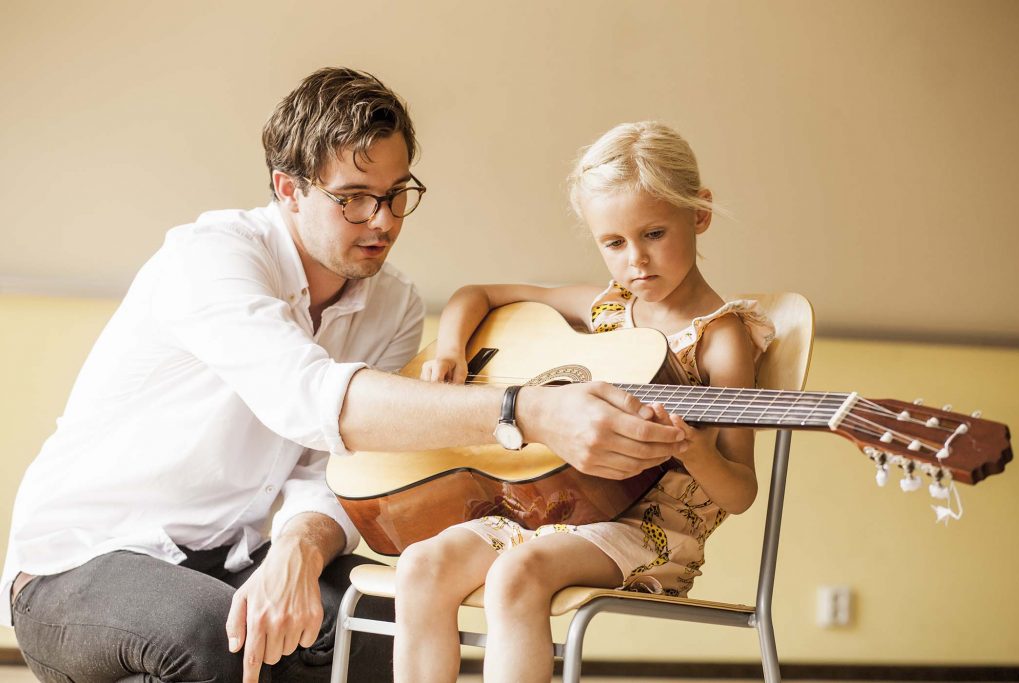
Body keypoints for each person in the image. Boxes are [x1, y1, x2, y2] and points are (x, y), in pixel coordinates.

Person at [2, 71, 689, 683]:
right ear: (289, 189)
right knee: (212, 638)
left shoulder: (393, 303)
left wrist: (300, 546)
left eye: (396, 194)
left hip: (235, 555)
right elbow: (308, 398)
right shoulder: (209, 258)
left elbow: (344, 465)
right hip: (82, 560)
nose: (382, 221)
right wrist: (523, 410)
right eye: (354, 198)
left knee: (381, 627)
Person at [396, 121, 777, 683]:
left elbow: (740, 492)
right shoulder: (604, 310)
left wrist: (693, 450)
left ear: (699, 215)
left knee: (515, 575)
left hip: (650, 530)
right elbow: (476, 295)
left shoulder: (720, 340)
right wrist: (451, 348)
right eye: (614, 243)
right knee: (421, 565)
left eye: (653, 233)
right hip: (558, 506)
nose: (635, 261)